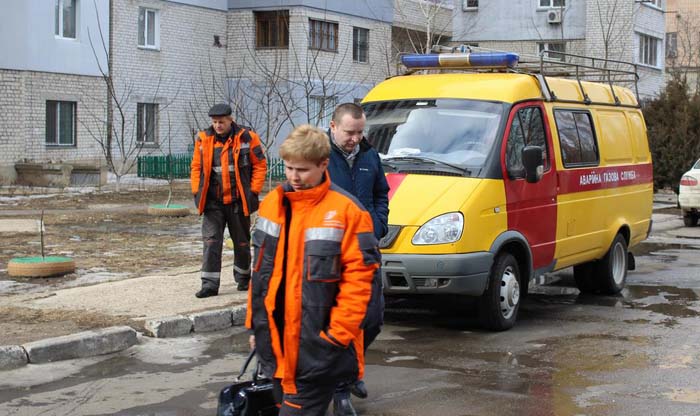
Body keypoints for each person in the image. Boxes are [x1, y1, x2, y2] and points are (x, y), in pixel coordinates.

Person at [245, 125, 380, 416]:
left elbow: (360, 287)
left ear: (323, 165)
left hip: (318, 352)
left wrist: (334, 338)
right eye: (289, 168)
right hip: (277, 346)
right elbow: (261, 274)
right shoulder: (273, 204)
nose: (294, 177)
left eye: (303, 170)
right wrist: (255, 326)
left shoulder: (348, 211)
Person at [327, 103, 389, 416]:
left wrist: (378, 224)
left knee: (373, 318)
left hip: (366, 250)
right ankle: (340, 389)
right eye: (350, 132)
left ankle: (350, 370)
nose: (355, 138)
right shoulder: (319, 158)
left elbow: (381, 194)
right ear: (333, 126)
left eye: (360, 131)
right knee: (343, 322)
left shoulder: (369, 156)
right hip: (332, 253)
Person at [190, 103, 267, 298]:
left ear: (230, 120)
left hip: (238, 201)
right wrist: (195, 191)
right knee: (211, 241)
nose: (218, 125)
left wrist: (254, 191)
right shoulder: (203, 139)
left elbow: (260, 165)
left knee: (241, 242)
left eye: (221, 122)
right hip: (213, 203)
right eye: (215, 122)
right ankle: (209, 284)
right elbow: (196, 167)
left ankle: (243, 279)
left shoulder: (248, 138)